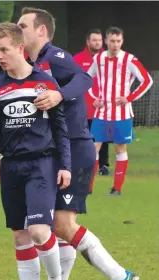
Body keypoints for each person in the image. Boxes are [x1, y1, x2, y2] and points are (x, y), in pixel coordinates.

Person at [13, 8, 140, 280]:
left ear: (41, 31)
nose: (17, 30)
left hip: (77, 148)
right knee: (57, 227)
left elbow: (84, 79)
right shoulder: (32, 64)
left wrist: (58, 95)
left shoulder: (54, 56)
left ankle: (121, 277)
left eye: (22, 26)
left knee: (62, 225)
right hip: (58, 150)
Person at [0, 22, 72, 280]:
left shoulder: (45, 82)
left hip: (42, 163)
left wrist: (65, 165)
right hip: (11, 166)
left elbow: (60, 128)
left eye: (4, 49)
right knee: (20, 235)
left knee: (40, 231)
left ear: (20, 48)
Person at [88, 26, 153, 196]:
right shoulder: (99, 58)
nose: (115, 45)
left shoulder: (129, 60)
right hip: (101, 113)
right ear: (106, 41)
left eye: (118, 41)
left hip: (121, 114)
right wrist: (93, 97)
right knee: (92, 148)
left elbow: (147, 80)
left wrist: (130, 97)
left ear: (122, 41)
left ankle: (116, 188)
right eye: (112, 41)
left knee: (119, 148)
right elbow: (86, 78)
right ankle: (88, 188)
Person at [73, 29, 110, 178]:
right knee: (85, 138)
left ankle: (104, 165)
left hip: (103, 107)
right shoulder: (78, 59)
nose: (97, 43)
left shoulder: (108, 58)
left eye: (100, 40)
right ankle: (83, 165)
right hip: (84, 107)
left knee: (103, 138)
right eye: (94, 40)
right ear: (88, 42)